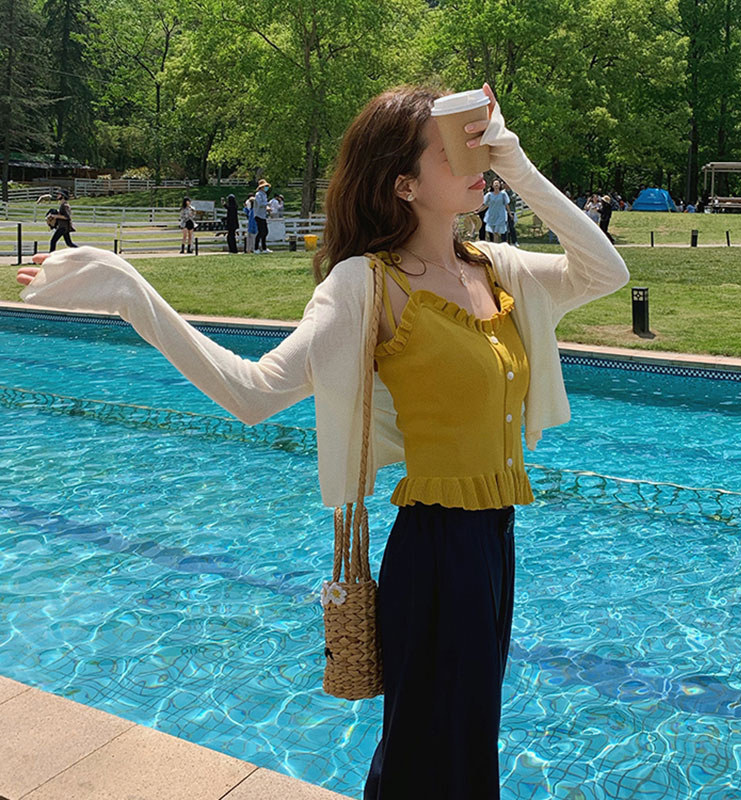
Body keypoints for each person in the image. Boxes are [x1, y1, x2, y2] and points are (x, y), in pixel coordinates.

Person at [17, 82, 629, 800]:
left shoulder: (496, 269)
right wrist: (132, 294)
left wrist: (516, 164)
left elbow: (606, 272)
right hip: (436, 552)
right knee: (428, 760)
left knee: (463, 748)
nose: (476, 159)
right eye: (451, 150)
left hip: (494, 541)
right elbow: (252, 392)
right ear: (403, 183)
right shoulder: (366, 285)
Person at [253, 179, 272, 253]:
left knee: (265, 232)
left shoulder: (264, 195)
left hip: (263, 215)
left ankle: (264, 248)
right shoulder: (258, 194)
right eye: (265, 186)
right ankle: (256, 248)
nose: (266, 188)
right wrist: (267, 204)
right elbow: (260, 204)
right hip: (258, 215)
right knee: (261, 232)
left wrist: (267, 208)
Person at [499, 179, 519, 246]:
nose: (504, 185)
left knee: (511, 227)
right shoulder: (502, 192)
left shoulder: (513, 192)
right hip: (503, 212)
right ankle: (504, 241)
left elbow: (510, 200)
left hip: (511, 212)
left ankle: (514, 241)